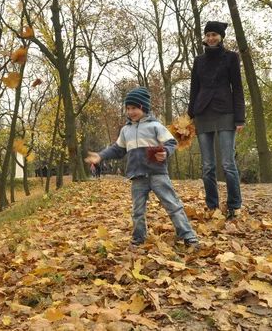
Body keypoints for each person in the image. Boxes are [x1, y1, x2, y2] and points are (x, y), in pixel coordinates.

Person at [85, 87, 199, 248]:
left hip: (157, 173)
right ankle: (138, 239)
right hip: (137, 176)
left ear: (143, 108)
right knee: (137, 211)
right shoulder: (126, 130)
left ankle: (188, 236)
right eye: (128, 108)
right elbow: (118, 149)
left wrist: (165, 152)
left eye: (134, 108)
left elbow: (171, 142)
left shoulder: (155, 126)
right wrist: (101, 155)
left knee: (172, 205)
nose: (131, 112)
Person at [188, 21, 245, 221]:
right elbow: (194, 89)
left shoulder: (231, 58)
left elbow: (237, 88)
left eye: (214, 34)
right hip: (203, 112)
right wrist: (190, 116)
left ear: (221, 37)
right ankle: (212, 206)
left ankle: (234, 206)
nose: (211, 38)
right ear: (204, 38)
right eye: (208, 34)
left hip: (226, 112)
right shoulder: (199, 61)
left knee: (228, 163)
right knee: (208, 166)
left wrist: (240, 117)